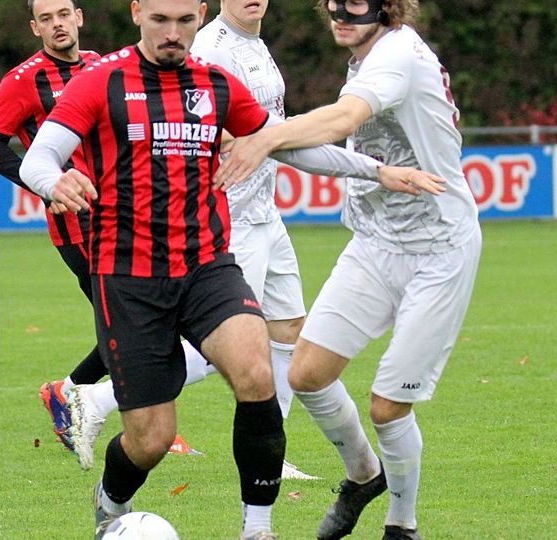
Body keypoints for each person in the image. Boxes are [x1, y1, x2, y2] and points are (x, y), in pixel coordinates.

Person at [19, 1, 443, 537]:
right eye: (160, 22)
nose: (173, 34)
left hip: (207, 265)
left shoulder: (216, 84)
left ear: (199, 14)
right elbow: (38, 157)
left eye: (184, 22)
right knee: (150, 438)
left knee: (256, 369)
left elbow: (289, 148)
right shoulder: (100, 82)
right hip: (127, 277)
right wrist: (52, 182)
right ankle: (110, 504)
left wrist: (377, 171)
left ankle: (257, 529)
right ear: (136, 13)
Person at [215, 1, 482, 539]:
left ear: (388, 8)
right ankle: (364, 475)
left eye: (356, 4)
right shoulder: (366, 55)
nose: (340, 13)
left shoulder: (397, 54)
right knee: (307, 373)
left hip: (438, 249)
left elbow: (343, 119)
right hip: (374, 244)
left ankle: (401, 527)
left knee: (387, 407)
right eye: (333, 3)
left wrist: (265, 136)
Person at [65, 0, 322, 482]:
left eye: (182, 19)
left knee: (285, 329)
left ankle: (271, 445)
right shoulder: (202, 48)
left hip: (266, 211)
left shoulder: (253, 44)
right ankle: (97, 398)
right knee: (226, 343)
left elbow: (271, 129)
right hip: (223, 218)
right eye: (162, 20)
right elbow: (201, 130)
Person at [0, 0, 106, 452]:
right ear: (36, 28)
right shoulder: (23, 80)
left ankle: (73, 396)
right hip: (78, 226)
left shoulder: (98, 66)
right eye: (47, 18)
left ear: (79, 18)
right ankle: (71, 394)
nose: (58, 24)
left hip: (120, 213)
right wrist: (47, 186)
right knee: (134, 329)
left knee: (136, 330)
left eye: (63, 14)